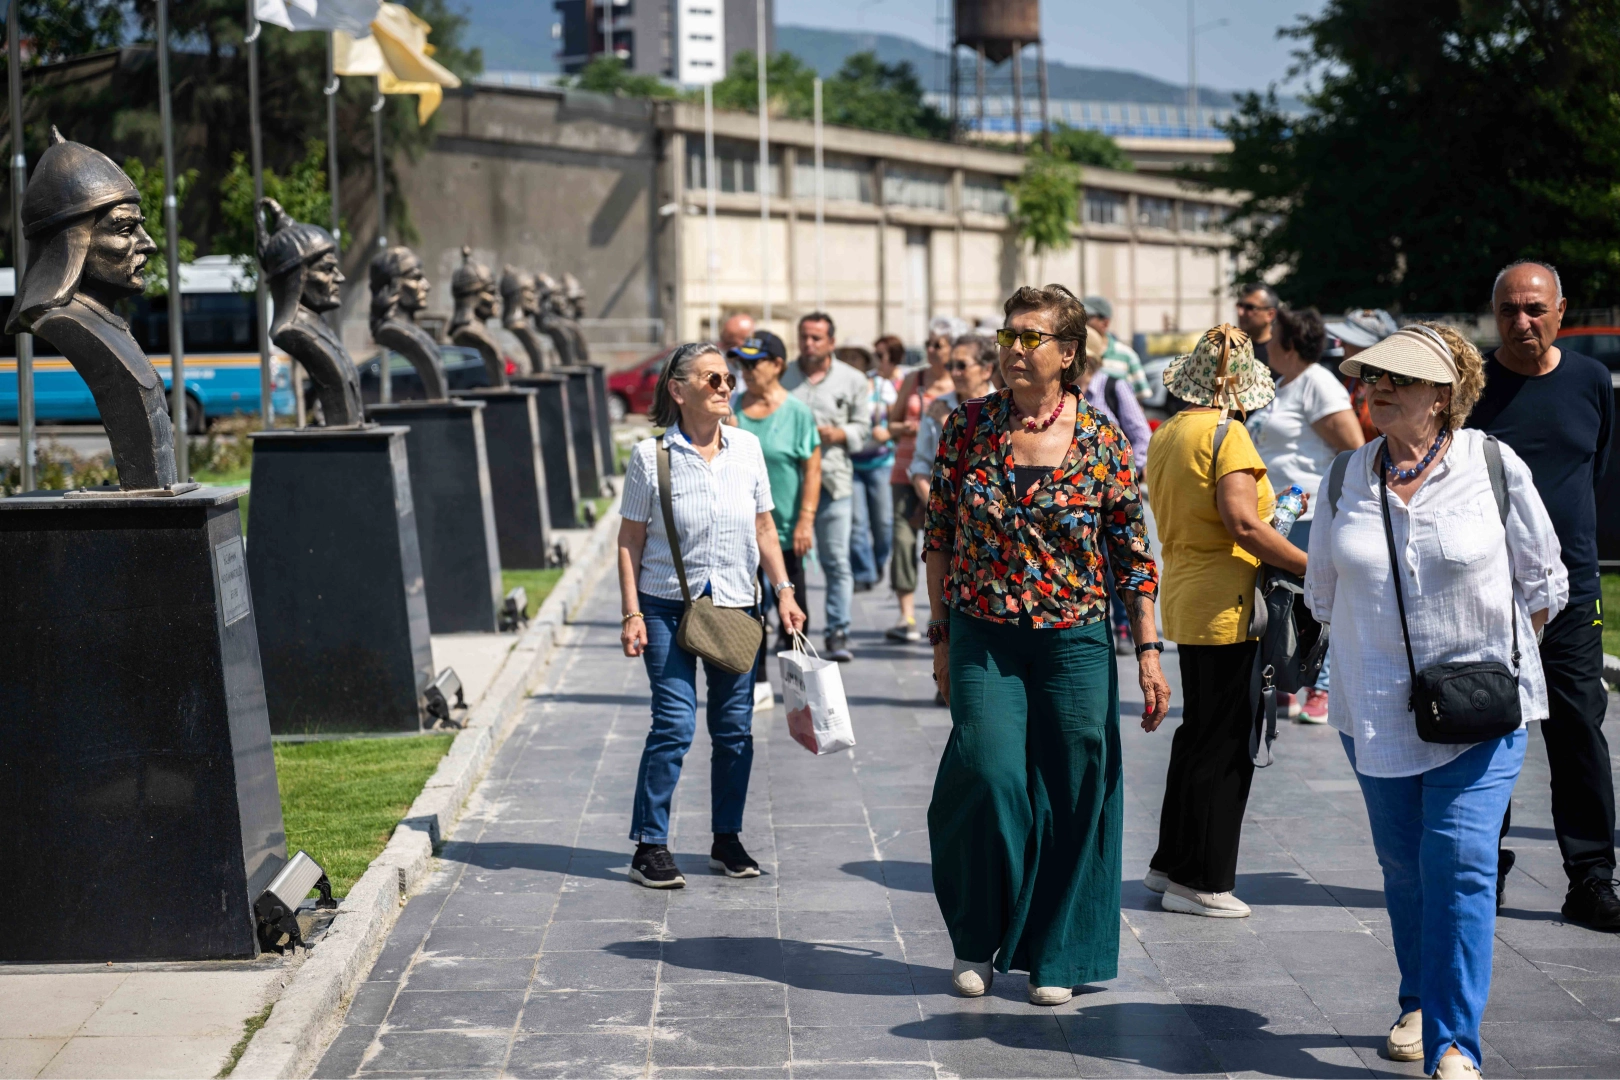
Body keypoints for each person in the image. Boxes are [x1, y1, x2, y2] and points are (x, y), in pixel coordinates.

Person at [1305, 323, 1564, 1080]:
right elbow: (1324, 591)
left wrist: (1493, 663)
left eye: (1398, 380)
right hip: (1376, 710)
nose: (1376, 389)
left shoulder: (1493, 465)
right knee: (1405, 868)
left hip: (1481, 714)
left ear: (1442, 397)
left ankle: (1454, 1044)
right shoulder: (1344, 477)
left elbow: (1544, 583)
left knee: (1458, 864)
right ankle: (1418, 997)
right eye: (1372, 377)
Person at [923, 285, 1170, 1007]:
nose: (1014, 348)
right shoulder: (965, 427)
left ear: (1068, 354)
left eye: (1031, 337)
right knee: (988, 771)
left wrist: (1149, 651)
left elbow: (1132, 555)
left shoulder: (1101, 439)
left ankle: (1058, 950)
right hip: (984, 634)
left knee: (1074, 786)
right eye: (1008, 334)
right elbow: (938, 537)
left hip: (1074, 640)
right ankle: (978, 937)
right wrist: (940, 636)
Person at [616, 342, 808, 889]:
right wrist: (631, 611)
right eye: (712, 379)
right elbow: (629, 541)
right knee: (674, 725)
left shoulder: (746, 449)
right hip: (663, 605)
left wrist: (785, 591)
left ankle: (727, 838)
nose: (726, 387)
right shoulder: (650, 457)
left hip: (734, 604)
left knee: (734, 729)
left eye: (727, 378)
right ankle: (649, 846)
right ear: (678, 391)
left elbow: (764, 528)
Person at [1467, 261, 1619, 928]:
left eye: (1534, 308)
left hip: (1572, 595)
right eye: (1508, 310)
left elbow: (1598, 464)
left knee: (1580, 733)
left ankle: (1591, 879)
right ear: (1493, 314)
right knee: (1482, 736)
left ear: (1561, 311)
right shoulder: (1472, 388)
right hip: (1482, 599)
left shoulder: (1589, 381)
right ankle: (1481, 872)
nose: (1521, 321)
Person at [1144, 325, 1307, 918]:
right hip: (1227, 605)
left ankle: (1170, 863)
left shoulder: (1170, 433)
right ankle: (1203, 878)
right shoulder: (1227, 433)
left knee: (1198, 736)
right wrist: (1313, 567)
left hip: (1189, 594)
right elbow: (1243, 524)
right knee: (1225, 743)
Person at [1252, 306, 1364, 723]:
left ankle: (1326, 688)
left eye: (1273, 334)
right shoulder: (1283, 384)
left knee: (1321, 601)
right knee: (1287, 604)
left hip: (1313, 511)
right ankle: (1291, 681)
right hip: (1281, 517)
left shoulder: (1318, 383)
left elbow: (1351, 448)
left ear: (1289, 341)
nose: (1266, 343)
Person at [731, 330, 821, 688]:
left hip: (784, 530)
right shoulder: (732, 409)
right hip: (743, 531)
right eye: (742, 363)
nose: (747, 370)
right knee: (751, 612)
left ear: (778, 365)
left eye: (755, 362)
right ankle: (758, 682)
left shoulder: (797, 413)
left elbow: (812, 468)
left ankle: (796, 684)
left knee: (796, 610)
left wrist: (805, 520)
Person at [781, 311, 871, 662]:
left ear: (831, 342)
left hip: (834, 479)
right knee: (790, 560)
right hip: (792, 485)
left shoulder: (852, 380)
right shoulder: (784, 377)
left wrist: (838, 433)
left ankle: (838, 630)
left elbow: (862, 431)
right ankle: (791, 628)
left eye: (816, 337)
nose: (809, 343)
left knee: (836, 560)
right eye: (804, 336)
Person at [885, 321, 959, 642]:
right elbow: (893, 422)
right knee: (903, 542)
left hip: (944, 480)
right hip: (907, 471)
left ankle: (937, 614)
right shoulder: (914, 379)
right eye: (929, 344)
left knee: (942, 545)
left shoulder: (961, 387)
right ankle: (906, 614)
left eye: (938, 345)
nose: (931, 350)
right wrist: (915, 427)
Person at [847, 343, 896, 594]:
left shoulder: (881, 387)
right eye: (847, 357)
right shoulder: (842, 388)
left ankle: (877, 564)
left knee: (884, 522)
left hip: (880, 462)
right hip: (850, 462)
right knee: (856, 522)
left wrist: (887, 433)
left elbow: (896, 420)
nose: (852, 361)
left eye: (856, 356)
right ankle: (863, 572)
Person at [1325, 308, 1400, 441]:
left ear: (1370, 347)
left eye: (1348, 340)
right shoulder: (1352, 380)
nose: (1341, 344)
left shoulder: (1396, 387)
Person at [1082, 294, 1151, 401]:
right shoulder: (1070, 353)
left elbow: (1141, 396)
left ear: (1105, 323)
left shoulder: (1127, 355)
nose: (1080, 322)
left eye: (1086, 318)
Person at [1235, 284, 1279, 367]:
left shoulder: (1284, 354)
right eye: (1240, 306)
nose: (1240, 313)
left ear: (1270, 314)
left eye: (1250, 307)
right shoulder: (1230, 350)